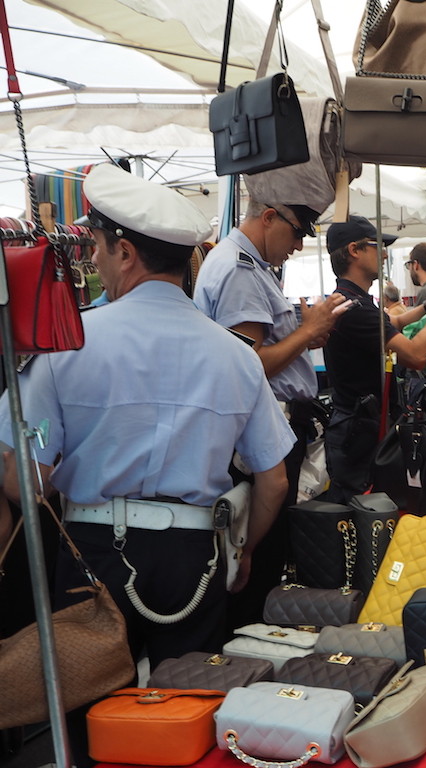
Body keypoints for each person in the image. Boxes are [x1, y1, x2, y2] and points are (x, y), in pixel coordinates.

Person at [0, 164, 294, 765]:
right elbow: (274, 480)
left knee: (90, 720)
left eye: (99, 247)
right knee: (185, 718)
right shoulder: (236, 356)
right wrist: (243, 553)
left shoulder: (68, 344)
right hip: (195, 555)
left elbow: (23, 477)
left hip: (90, 552)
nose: (96, 261)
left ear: (126, 252)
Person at [193, 197, 346, 628]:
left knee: (260, 553)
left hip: (266, 422)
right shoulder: (240, 271)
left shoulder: (248, 265)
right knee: (256, 558)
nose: (298, 245)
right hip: (261, 427)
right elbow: (249, 364)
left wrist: (304, 336)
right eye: (296, 233)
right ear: (269, 217)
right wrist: (307, 332)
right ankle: (243, 642)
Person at [322, 216, 426, 502]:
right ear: (354, 250)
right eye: (377, 246)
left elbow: (391, 323)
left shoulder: (352, 300)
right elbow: (417, 356)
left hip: (358, 427)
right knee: (364, 510)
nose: (384, 254)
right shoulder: (355, 309)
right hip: (358, 433)